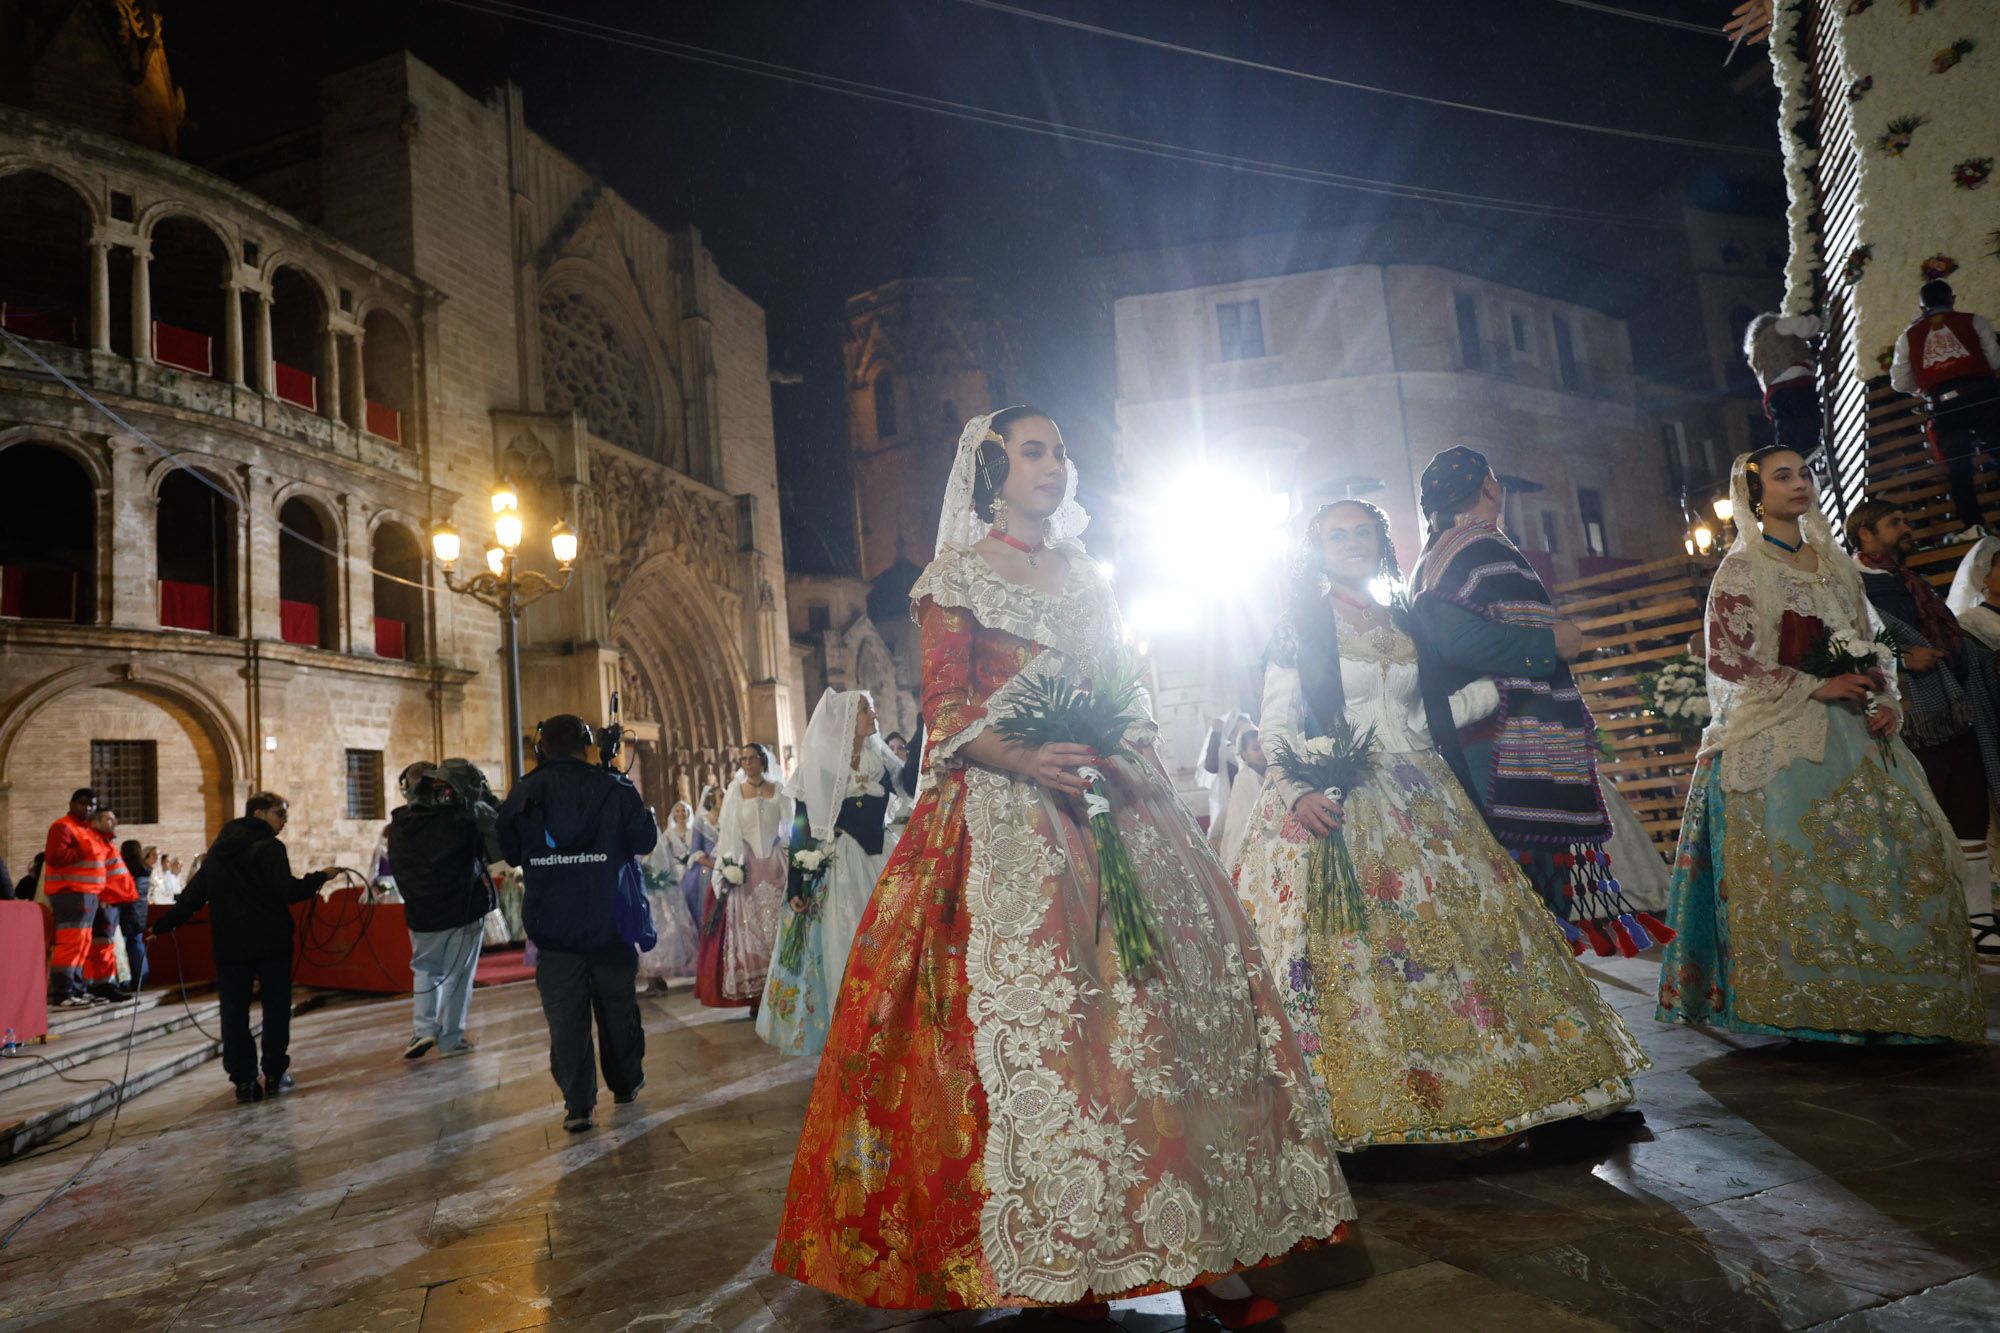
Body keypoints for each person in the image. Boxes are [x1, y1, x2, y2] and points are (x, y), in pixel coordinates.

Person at [775, 408, 1351, 1326]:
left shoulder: (1089, 575)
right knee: (1053, 1035)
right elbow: (948, 709)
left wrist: (1121, 741)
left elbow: (1130, 681)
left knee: (1169, 1024)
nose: (1055, 464)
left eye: (1060, 450)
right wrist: (1027, 758)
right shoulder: (953, 578)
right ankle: (1060, 1262)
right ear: (993, 473)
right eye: (1034, 451)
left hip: (1120, 807)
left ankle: (1204, 1253)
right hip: (1008, 818)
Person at [1232, 499, 1645, 1151]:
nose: (1350, 543)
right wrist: (1295, 792)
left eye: (1362, 532)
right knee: (1368, 957)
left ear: (1381, 543)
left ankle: (1495, 1084)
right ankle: (1379, 1094)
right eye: (1335, 535)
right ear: (1316, 550)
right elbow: (1277, 727)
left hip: (1426, 790)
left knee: (1471, 942)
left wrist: (1493, 690)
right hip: (1342, 798)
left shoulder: (1403, 620)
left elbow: (1422, 718)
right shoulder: (1300, 626)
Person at [1654, 448, 1983, 1044]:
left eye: (1805, 474)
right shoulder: (1742, 567)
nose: (1799, 484)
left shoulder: (1834, 563)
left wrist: (1886, 695)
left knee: (1901, 857)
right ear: (1755, 494)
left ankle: (1895, 1001)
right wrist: (1814, 684)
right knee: (1809, 865)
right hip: (1785, 737)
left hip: (1859, 729)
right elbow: (1729, 661)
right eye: (1783, 477)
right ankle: (1820, 1007)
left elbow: (1870, 638)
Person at [1409, 447, 1647, 956]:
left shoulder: (1450, 549)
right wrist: (1549, 645)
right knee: (1521, 892)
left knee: (1521, 897)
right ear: (1492, 489)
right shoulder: (1472, 546)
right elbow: (1453, 638)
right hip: (1499, 750)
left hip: (1499, 743)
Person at [495, 715, 657, 1132]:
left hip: (554, 928)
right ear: (587, 745)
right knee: (618, 1010)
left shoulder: (525, 791)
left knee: (565, 1019)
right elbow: (644, 841)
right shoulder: (614, 787)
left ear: (541, 749)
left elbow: (509, 851)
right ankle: (625, 1084)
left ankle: (578, 1106)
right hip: (610, 922)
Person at [1847, 500, 2000, 929]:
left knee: (1969, 817)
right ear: (1865, 534)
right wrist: (1897, 654)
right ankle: (1935, 925)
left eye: (1906, 518)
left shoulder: (1914, 584)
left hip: (1955, 710)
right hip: (1908, 719)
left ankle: (1979, 921)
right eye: (1895, 522)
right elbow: (1845, 641)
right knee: (1919, 823)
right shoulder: (1851, 586)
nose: (1907, 526)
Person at [150, 792, 341, 1101]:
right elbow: (286, 891)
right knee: (276, 1008)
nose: (284, 821)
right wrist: (321, 877)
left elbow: (194, 894)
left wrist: (164, 925)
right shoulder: (270, 847)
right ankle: (275, 1072)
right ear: (259, 814)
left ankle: (244, 1082)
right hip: (271, 941)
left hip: (231, 944)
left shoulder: (220, 849)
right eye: (280, 814)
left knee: (234, 1012)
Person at [756, 689, 900, 1058]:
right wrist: (796, 887)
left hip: (879, 858)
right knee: (843, 943)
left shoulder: (879, 760)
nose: (874, 713)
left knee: (889, 942)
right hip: (839, 866)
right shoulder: (819, 766)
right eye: (866, 709)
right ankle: (851, 1033)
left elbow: (912, 782)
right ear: (847, 720)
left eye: (871, 706)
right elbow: (801, 828)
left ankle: (889, 1024)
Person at [388, 760, 501, 1060]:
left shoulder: (399, 825)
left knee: (425, 971)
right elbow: (494, 851)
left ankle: (423, 1030)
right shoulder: (459, 820)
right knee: (458, 976)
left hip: (421, 915)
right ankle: (451, 1039)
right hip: (462, 912)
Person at [1890, 279, 2000, 533]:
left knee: (1959, 467)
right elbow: (1994, 359)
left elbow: (1899, 381)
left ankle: (1973, 527)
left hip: (1944, 407)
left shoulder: (1908, 336)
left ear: (1921, 308)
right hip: (1983, 395)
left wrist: (1926, 386)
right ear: (1952, 299)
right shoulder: (1973, 320)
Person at [694, 743, 791, 1012]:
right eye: (742, 759)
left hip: (776, 864)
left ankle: (783, 987)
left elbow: (790, 825)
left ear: (763, 760)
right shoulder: (736, 792)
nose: (746, 763)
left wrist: (786, 853)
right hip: (747, 867)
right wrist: (730, 866)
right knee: (752, 928)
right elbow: (730, 833)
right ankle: (756, 995)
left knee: (778, 926)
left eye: (751, 758)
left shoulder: (779, 789)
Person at [44, 787, 109, 1008]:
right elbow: (54, 856)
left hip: (87, 894)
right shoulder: (63, 826)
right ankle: (62, 993)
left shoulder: (87, 830)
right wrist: (81, 850)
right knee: (71, 943)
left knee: (83, 944)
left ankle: (78, 989)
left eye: (92, 804)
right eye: (82, 803)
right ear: (71, 804)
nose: (87, 807)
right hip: (69, 892)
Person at [1743, 311, 1824, 456]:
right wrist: (1819, 320)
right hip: (1798, 382)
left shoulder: (1755, 353)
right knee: (1810, 417)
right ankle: (1812, 449)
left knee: (1787, 429)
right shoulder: (1779, 326)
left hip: (1776, 395)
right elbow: (1806, 327)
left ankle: (1790, 457)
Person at [636, 803, 696, 990]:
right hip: (645, 891)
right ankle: (653, 978)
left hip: (657, 891)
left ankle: (657, 976)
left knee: (661, 932)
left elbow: (661, 861)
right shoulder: (635, 833)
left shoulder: (657, 834)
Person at [678, 786, 720, 925]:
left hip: (726, 864)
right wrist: (716, 866)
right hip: (707, 866)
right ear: (712, 801)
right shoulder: (701, 822)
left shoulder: (729, 820)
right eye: (721, 796)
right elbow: (696, 851)